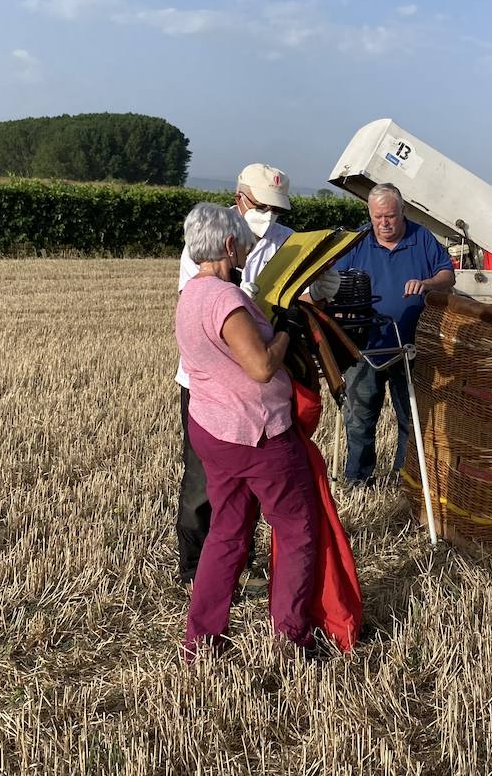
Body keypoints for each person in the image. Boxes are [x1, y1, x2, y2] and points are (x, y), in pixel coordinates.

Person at [174, 202, 318, 655]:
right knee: (297, 530)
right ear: (230, 244)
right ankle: (291, 636)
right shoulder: (225, 299)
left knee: (226, 532)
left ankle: (202, 638)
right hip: (256, 435)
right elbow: (259, 368)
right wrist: (285, 334)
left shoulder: (190, 295)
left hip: (211, 430)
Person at [175, 163, 295, 586]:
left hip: (254, 394)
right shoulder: (207, 239)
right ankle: (193, 568)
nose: (268, 216)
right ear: (240, 198)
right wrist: (265, 314)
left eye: (275, 209)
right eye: (261, 206)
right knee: (201, 483)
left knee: (244, 488)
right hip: (211, 384)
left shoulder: (286, 242)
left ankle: (239, 565)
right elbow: (208, 306)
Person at [335, 182, 454, 487]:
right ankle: (358, 479)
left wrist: (426, 284)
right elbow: (332, 284)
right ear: (370, 214)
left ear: (402, 212)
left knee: (410, 419)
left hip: (409, 347)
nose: (384, 223)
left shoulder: (421, 237)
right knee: (359, 418)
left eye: (390, 216)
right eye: (378, 217)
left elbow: (447, 275)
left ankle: (404, 479)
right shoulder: (357, 242)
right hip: (365, 347)